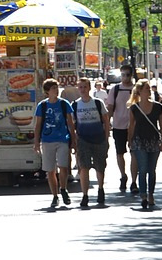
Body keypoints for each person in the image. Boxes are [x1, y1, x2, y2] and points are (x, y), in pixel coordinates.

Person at [33, 77, 77, 210]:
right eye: (53, 88)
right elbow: (38, 124)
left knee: (63, 166)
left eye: (57, 88)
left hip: (62, 139)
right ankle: (55, 195)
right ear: (47, 92)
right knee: (50, 170)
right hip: (47, 140)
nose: (56, 91)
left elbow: (70, 123)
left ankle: (63, 189)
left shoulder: (64, 104)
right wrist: (36, 142)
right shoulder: (43, 105)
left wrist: (74, 141)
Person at [72, 76, 110, 207]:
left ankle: (100, 189)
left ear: (89, 88)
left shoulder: (98, 102)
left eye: (85, 87)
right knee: (84, 167)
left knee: (100, 166)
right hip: (83, 140)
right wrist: (74, 141)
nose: (82, 89)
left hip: (99, 139)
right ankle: (85, 195)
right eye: (80, 87)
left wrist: (106, 138)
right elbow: (73, 123)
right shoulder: (75, 104)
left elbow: (105, 120)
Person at [127, 79, 162, 210]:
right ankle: (143, 196)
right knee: (142, 169)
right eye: (146, 88)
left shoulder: (158, 107)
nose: (149, 90)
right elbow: (131, 126)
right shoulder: (134, 108)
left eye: (149, 88)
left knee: (151, 170)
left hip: (154, 141)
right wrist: (130, 140)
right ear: (140, 91)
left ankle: (151, 194)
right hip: (139, 141)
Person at [107, 63, 137, 193]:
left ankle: (134, 181)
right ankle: (123, 175)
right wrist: (107, 123)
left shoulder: (136, 90)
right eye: (123, 75)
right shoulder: (115, 89)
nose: (125, 77)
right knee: (120, 153)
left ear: (131, 75)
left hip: (134, 127)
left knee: (134, 153)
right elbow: (110, 108)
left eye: (127, 75)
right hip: (118, 126)